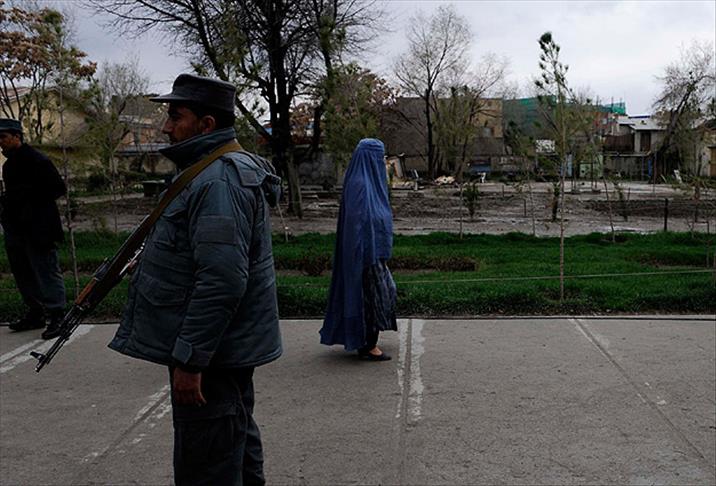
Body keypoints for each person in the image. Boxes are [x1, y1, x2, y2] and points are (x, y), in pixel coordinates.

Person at [108, 74, 282, 486]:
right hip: (221, 349)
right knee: (231, 441)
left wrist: (190, 360)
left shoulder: (218, 180)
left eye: (175, 116)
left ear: (206, 124)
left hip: (214, 355)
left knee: (207, 463)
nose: (166, 127)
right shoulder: (210, 171)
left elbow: (222, 279)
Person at [319, 138, 397, 361]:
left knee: (381, 293)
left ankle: (368, 341)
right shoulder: (360, 185)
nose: (382, 162)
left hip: (373, 251)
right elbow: (357, 223)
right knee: (373, 296)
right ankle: (368, 345)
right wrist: (362, 253)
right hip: (365, 254)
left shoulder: (369, 183)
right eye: (380, 157)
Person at [0, 118, 67, 339]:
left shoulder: (37, 160)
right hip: (16, 229)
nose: (1, 142)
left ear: (17, 136)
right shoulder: (9, 165)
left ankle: (57, 315)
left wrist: (28, 201)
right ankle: (35, 312)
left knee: (46, 271)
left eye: (3, 137)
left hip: (38, 228)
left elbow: (57, 188)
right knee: (23, 273)